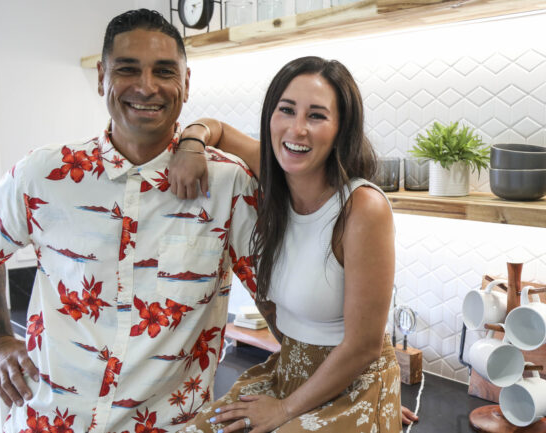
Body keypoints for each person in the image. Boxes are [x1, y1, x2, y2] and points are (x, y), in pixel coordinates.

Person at [0, 9, 258, 432]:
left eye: (164, 71)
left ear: (186, 84)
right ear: (102, 77)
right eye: (127, 69)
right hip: (48, 420)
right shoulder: (45, 173)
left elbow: (284, 298)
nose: (146, 87)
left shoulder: (228, 184)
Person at [167, 56, 405, 433]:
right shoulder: (275, 171)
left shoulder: (363, 208)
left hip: (355, 381)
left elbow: (364, 348)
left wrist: (288, 411)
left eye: (316, 116)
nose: (298, 130)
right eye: (287, 110)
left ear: (342, 128)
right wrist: (192, 142)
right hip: (288, 371)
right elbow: (219, 130)